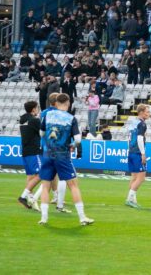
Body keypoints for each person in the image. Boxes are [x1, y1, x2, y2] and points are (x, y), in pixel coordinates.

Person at [38, 93, 94, 226]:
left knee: (45, 186)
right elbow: (78, 140)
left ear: (56, 103)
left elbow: (41, 133)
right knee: (73, 185)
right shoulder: (71, 118)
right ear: (68, 104)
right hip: (62, 155)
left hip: (47, 153)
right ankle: (82, 217)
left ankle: (44, 218)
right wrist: (73, 145)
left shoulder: (47, 115)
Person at [17, 100, 43, 211]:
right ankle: (23, 196)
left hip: (25, 151)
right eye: (37, 108)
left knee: (30, 176)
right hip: (34, 151)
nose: (37, 110)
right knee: (42, 174)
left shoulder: (23, 120)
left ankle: (30, 198)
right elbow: (43, 133)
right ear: (33, 109)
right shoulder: (34, 121)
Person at [124, 104, 149, 208]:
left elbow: (128, 138)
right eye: (147, 112)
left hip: (131, 151)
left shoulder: (133, 122)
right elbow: (139, 139)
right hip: (137, 153)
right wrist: (143, 153)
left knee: (134, 176)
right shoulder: (142, 124)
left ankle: (132, 200)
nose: (149, 114)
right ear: (141, 112)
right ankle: (130, 199)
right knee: (141, 177)